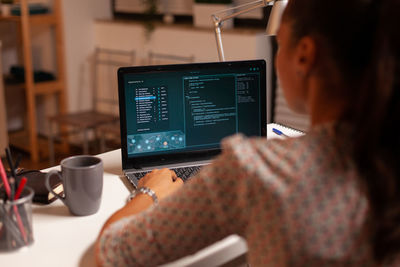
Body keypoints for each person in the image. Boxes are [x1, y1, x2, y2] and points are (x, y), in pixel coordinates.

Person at [96, 0, 400, 265]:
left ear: (305, 55)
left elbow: (111, 254)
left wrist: (149, 192)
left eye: (280, 42)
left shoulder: (256, 171)